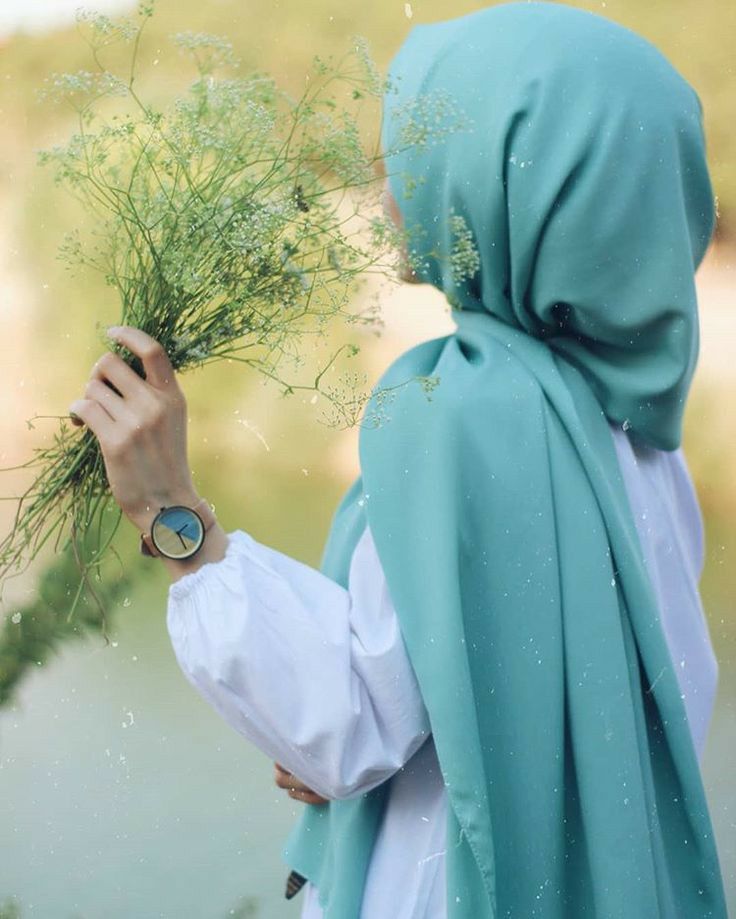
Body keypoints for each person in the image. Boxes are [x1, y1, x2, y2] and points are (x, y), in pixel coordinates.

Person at [67, 2, 728, 916]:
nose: (391, 182)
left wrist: (172, 515)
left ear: (513, 185)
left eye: (425, 143)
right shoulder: (642, 437)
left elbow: (347, 724)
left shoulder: (463, 410)